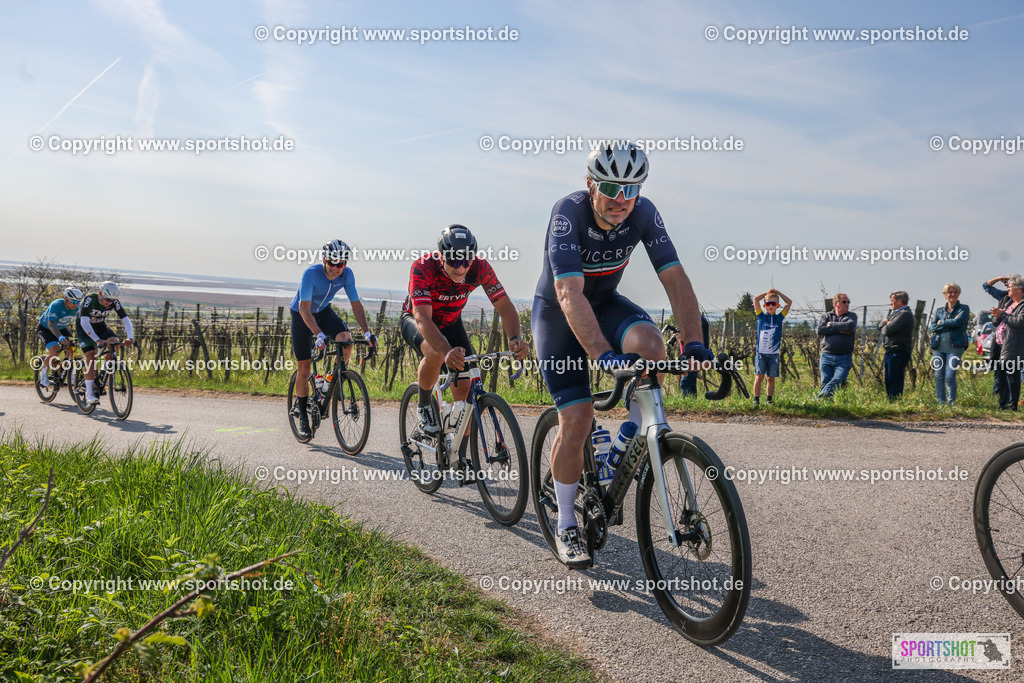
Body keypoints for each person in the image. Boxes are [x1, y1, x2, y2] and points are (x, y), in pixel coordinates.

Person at [532, 142, 712, 568]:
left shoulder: (644, 212)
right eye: (611, 187)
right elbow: (567, 292)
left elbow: (676, 278)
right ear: (591, 184)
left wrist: (694, 341)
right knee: (575, 418)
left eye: (631, 189)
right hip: (559, 313)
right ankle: (565, 525)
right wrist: (600, 353)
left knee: (653, 345)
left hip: (606, 302)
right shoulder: (568, 213)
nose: (621, 200)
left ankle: (628, 439)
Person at [400, 225, 529, 439]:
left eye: (466, 262)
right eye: (453, 262)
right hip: (418, 320)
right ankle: (424, 405)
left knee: (466, 393)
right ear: (441, 256)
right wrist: (445, 350)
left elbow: (504, 306)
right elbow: (422, 317)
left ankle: (460, 456)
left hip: (451, 322)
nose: (460, 269)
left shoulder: (480, 268)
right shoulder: (423, 267)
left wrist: (515, 338)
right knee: (434, 352)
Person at [290, 240, 377, 438]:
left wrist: (366, 333)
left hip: (323, 311)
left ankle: (329, 380)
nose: (336, 269)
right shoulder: (310, 274)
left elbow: (356, 304)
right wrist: (318, 334)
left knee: (346, 341)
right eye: (332, 263)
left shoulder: (347, 275)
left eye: (341, 264)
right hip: (302, 315)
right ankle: (303, 414)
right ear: (324, 260)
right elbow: (304, 308)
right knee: (304, 368)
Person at [75, 282, 134, 405]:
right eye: (107, 299)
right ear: (100, 294)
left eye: (112, 300)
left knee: (115, 343)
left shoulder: (114, 302)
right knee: (91, 356)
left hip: (100, 326)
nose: (110, 303)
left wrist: (130, 338)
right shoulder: (90, 299)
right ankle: (90, 393)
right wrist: (97, 340)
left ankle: (104, 372)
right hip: (84, 327)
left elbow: (126, 320)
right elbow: (84, 321)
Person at [929, 283, 970, 406]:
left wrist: (942, 323)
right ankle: (941, 402)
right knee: (938, 376)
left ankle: (951, 403)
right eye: (950, 292)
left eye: (955, 292)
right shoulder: (939, 310)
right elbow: (933, 327)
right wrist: (949, 324)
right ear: (945, 295)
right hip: (938, 347)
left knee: (950, 376)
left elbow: (958, 322)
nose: (953, 294)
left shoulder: (964, 308)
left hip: (955, 347)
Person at [752, 289, 792, 406]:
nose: (770, 306)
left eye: (773, 304)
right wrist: (766, 294)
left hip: (774, 353)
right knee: (759, 377)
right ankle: (756, 400)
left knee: (771, 378)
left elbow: (788, 302)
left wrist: (778, 292)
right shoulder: (761, 316)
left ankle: (769, 400)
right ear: (764, 306)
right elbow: (755, 299)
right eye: (768, 303)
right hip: (761, 353)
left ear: (777, 306)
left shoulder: (780, 318)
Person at [36, 287, 83, 386]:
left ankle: (67, 372)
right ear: (66, 299)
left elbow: (82, 323)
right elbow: (51, 324)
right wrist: (60, 337)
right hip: (46, 329)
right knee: (55, 351)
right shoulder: (56, 305)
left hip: (61, 328)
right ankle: (43, 372)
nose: (75, 304)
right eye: (73, 301)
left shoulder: (77, 308)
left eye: (78, 302)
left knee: (71, 348)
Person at [991, 275, 1024, 411]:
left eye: (1010, 287)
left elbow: (1019, 322)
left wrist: (1003, 315)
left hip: (1014, 346)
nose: (1008, 289)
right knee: (1002, 375)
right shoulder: (1010, 303)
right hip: (1001, 345)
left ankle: (1012, 405)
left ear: (1020, 289)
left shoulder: (1022, 305)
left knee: (1012, 376)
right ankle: (1002, 403)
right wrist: (998, 315)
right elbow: (996, 323)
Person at [816, 293, 857, 399]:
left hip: (844, 357)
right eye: (844, 302)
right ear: (836, 304)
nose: (847, 304)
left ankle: (818, 400)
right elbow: (820, 330)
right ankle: (826, 407)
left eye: (848, 302)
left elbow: (850, 327)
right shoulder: (826, 316)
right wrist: (841, 329)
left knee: (839, 379)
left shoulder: (851, 316)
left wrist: (831, 325)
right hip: (826, 355)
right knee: (825, 382)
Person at [878, 291, 914, 400]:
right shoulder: (896, 314)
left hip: (899, 350)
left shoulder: (905, 314)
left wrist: (886, 324)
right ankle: (891, 400)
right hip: (891, 350)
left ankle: (895, 401)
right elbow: (880, 325)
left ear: (899, 301)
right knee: (889, 379)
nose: (891, 303)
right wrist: (885, 324)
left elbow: (888, 330)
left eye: (892, 301)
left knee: (895, 379)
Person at [983, 276, 1013, 397]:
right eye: (1007, 284)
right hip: (998, 335)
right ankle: (998, 391)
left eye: (1010, 284)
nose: (1007, 285)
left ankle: (1009, 394)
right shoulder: (1003, 296)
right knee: (997, 363)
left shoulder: (1020, 300)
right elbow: (986, 286)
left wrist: (1002, 314)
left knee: (1011, 367)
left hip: (1011, 336)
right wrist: (1000, 278)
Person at [679, 314, 710, 396]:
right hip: (697, 354)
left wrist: (682, 336)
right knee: (690, 381)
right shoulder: (698, 320)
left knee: (685, 382)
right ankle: (692, 400)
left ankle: (687, 404)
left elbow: (694, 338)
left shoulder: (694, 321)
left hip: (694, 355)